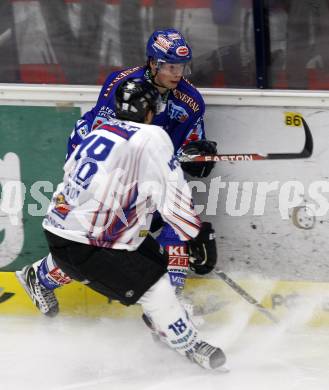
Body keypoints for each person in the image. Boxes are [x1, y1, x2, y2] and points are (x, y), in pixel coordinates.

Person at [17, 78, 226, 370]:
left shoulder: (101, 130)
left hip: (61, 227)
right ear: (151, 111)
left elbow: (77, 171)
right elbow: (173, 196)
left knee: (153, 258)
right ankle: (191, 346)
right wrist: (196, 233)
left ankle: (162, 320)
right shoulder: (153, 137)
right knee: (155, 288)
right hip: (90, 243)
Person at [16, 28, 218, 316]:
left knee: (176, 222)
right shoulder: (123, 85)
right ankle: (42, 277)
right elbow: (105, 139)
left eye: (181, 67)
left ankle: (169, 307)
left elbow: (190, 146)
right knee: (106, 238)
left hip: (147, 168)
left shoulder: (191, 102)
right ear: (153, 63)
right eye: (170, 66)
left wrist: (198, 156)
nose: (177, 74)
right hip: (103, 165)